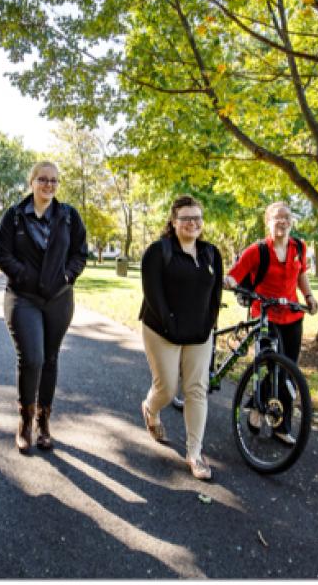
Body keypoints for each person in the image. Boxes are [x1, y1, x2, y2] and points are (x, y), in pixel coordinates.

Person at [0, 161, 88, 453]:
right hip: (23, 298)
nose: (48, 185)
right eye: (42, 180)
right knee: (32, 357)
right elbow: (1, 253)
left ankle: (43, 420)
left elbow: (80, 253)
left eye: (53, 181)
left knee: (50, 358)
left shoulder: (69, 216)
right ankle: (24, 419)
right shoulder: (14, 216)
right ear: (31, 182)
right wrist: (24, 275)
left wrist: (67, 276)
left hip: (58, 298)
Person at [139, 195, 223, 480]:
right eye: (186, 218)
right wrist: (170, 325)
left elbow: (215, 297)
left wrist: (209, 325)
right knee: (167, 387)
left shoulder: (211, 253)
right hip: (161, 330)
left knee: (197, 389)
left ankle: (195, 454)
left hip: (199, 333)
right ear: (173, 222)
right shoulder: (157, 252)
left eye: (197, 218)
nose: (192, 223)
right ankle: (150, 409)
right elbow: (153, 296)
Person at [223, 201, 318, 444]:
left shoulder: (298, 246)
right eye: (278, 217)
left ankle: (280, 426)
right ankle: (256, 406)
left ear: (292, 221)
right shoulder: (257, 250)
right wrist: (230, 283)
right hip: (264, 316)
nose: (283, 221)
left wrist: (308, 296)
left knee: (288, 372)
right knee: (271, 365)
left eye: (287, 217)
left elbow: (301, 275)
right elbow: (234, 275)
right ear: (268, 221)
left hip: (292, 316)